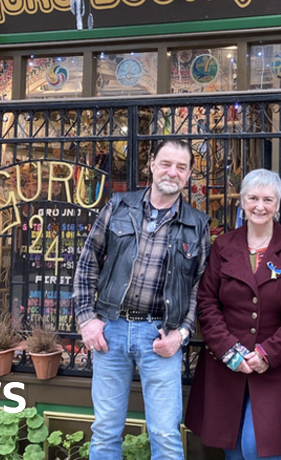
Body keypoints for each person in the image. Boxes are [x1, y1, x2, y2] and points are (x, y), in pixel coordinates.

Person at [73, 139, 210, 460]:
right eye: (166, 163)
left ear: (188, 175)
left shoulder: (197, 224)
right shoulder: (118, 206)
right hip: (111, 331)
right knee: (106, 429)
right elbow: (87, 262)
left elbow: (199, 287)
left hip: (159, 336)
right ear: (151, 164)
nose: (172, 172)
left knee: (164, 432)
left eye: (181, 167)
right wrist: (86, 319)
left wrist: (183, 333)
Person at [185, 169, 281, 460]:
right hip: (228, 365)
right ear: (242, 201)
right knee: (234, 449)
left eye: (268, 199)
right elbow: (207, 302)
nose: (260, 206)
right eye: (253, 198)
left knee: (260, 448)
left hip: (276, 367)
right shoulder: (224, 245)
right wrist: (229, 350)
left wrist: (268, 354)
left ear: (278, 204)